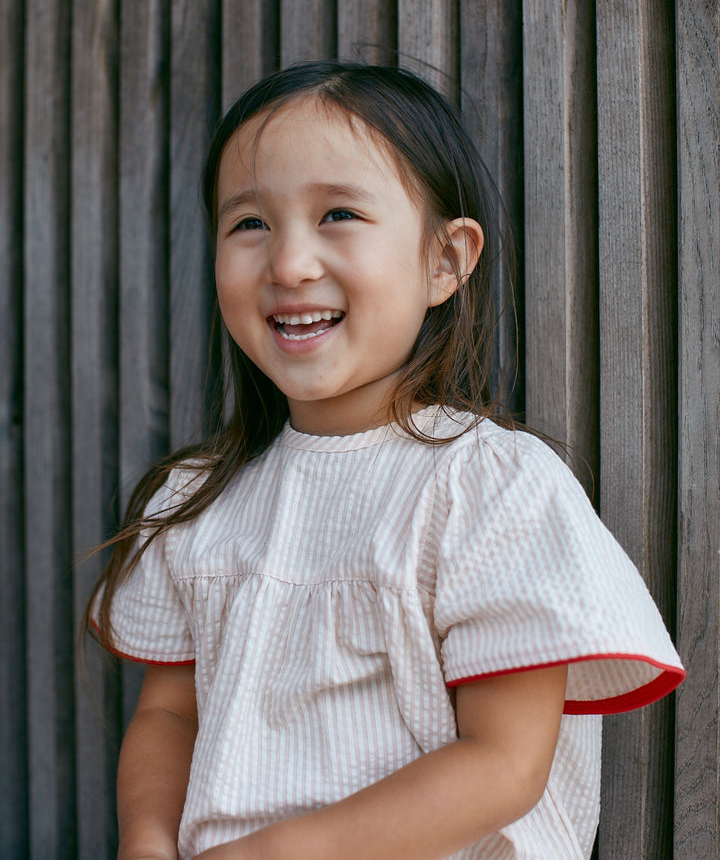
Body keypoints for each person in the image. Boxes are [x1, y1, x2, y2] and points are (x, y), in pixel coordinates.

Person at [88, 61, 684, 860]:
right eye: (250, 224)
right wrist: (149, 843)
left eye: (337, 213)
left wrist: (278, 853)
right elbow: (170, 715)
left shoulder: (486, 488)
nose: (289, 263)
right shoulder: (200, 499)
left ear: (445, 261)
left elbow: (505, 764)